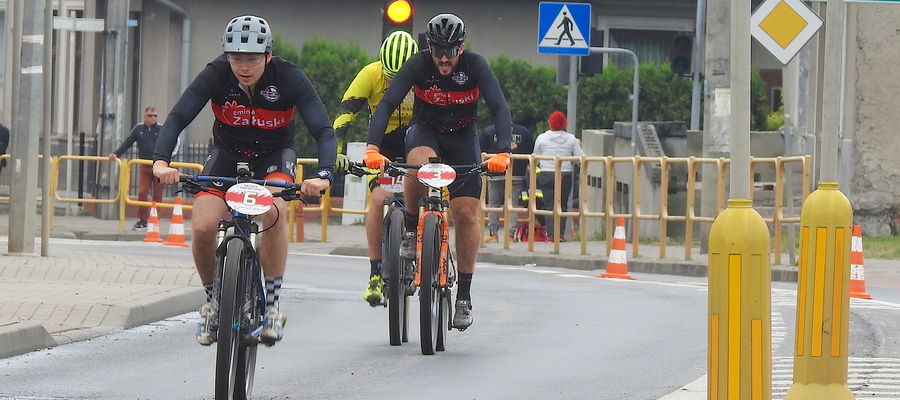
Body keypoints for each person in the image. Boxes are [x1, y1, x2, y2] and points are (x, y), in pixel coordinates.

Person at [152, 15, 337, 346]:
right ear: (227, 56)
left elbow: (323, 130)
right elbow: (179, 116)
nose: (244, 66)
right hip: (226, 155)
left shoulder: (289, 77)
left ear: (268, 55)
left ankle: (273, 306)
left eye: (252, 58)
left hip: (274, 157)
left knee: (273, 211)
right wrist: (161, 161)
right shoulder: (216, 74)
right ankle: (212, 302)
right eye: (236, 58)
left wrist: (323, 174)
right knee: (205, 224)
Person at [363, 13, 513, 331]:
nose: (444, 59)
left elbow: (499, 107)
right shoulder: (419, 65)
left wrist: (503, 153)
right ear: (428, 47)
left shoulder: (476, 65)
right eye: (438, 51)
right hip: (426, 131)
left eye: (451, 51)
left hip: (462, 138)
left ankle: (464, 298)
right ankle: (410, 227)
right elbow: (388, 102)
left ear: (462, 47)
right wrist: (372, 147)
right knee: (418, 162)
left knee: (467, 215)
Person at [332, 31, 418, 307]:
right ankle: (375, 273)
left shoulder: (424, 76)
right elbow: (345, 114)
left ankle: (425, 253)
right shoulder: (370, 74)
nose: (397, 84)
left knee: (428, 198)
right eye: (391, 77)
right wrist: (337, 153)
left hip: (417, 144)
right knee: (379, 199)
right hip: (381, 148)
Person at [109, 106, 165, 230]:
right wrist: (116, 153)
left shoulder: (161, 129)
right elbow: (128, 142)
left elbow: (171, 142)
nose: (153, 118)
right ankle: (142, 219)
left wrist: (168, 157)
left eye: (155, 116)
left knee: (157, 194)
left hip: (159, 166)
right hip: (145, 165)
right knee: (142, 192)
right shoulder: (139, 129)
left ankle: (155, 218)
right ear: (145, 117)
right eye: (150, 116)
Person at [532, 111, 583, 241]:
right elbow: (581, 157)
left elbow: (535, 156)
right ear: (564, 123)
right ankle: (560, 235)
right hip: (565, 174)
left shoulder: (542, 138)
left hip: (546, 174)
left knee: (548, 205)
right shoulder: (571, 139)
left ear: (550, 122)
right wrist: (572, 160)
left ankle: (550, 235)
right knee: (563, 205)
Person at [480, 122, 533, 242]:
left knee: (493, 203)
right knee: (513, 204)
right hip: (516, 173)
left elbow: (481, 150)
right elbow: (530, 151)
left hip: (494, 172)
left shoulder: (489, 131)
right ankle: (511, 235)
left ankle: (493, 234)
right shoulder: (524, 132)